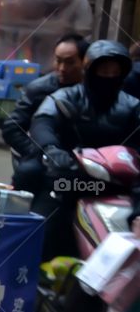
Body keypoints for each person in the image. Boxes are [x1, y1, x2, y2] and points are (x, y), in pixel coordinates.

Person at [30, 40, 139, 260]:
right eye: (103, 70)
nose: (108, 76)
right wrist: (53, 150)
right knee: (38, 235)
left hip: (115, 186)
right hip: (69, 179)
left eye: (114, 71)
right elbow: (43, 121)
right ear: (90, 70)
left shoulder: (133, 106)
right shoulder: (66, 97)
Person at [2, 34, 89, 190]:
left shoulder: (93, 91)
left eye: (70, 62)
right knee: (28, 173)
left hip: (84, 159)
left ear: (84, 62)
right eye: (58, 61)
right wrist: (40, 152)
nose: (62, 68)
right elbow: (12, 128)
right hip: (43, 157)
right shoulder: (38, 89)